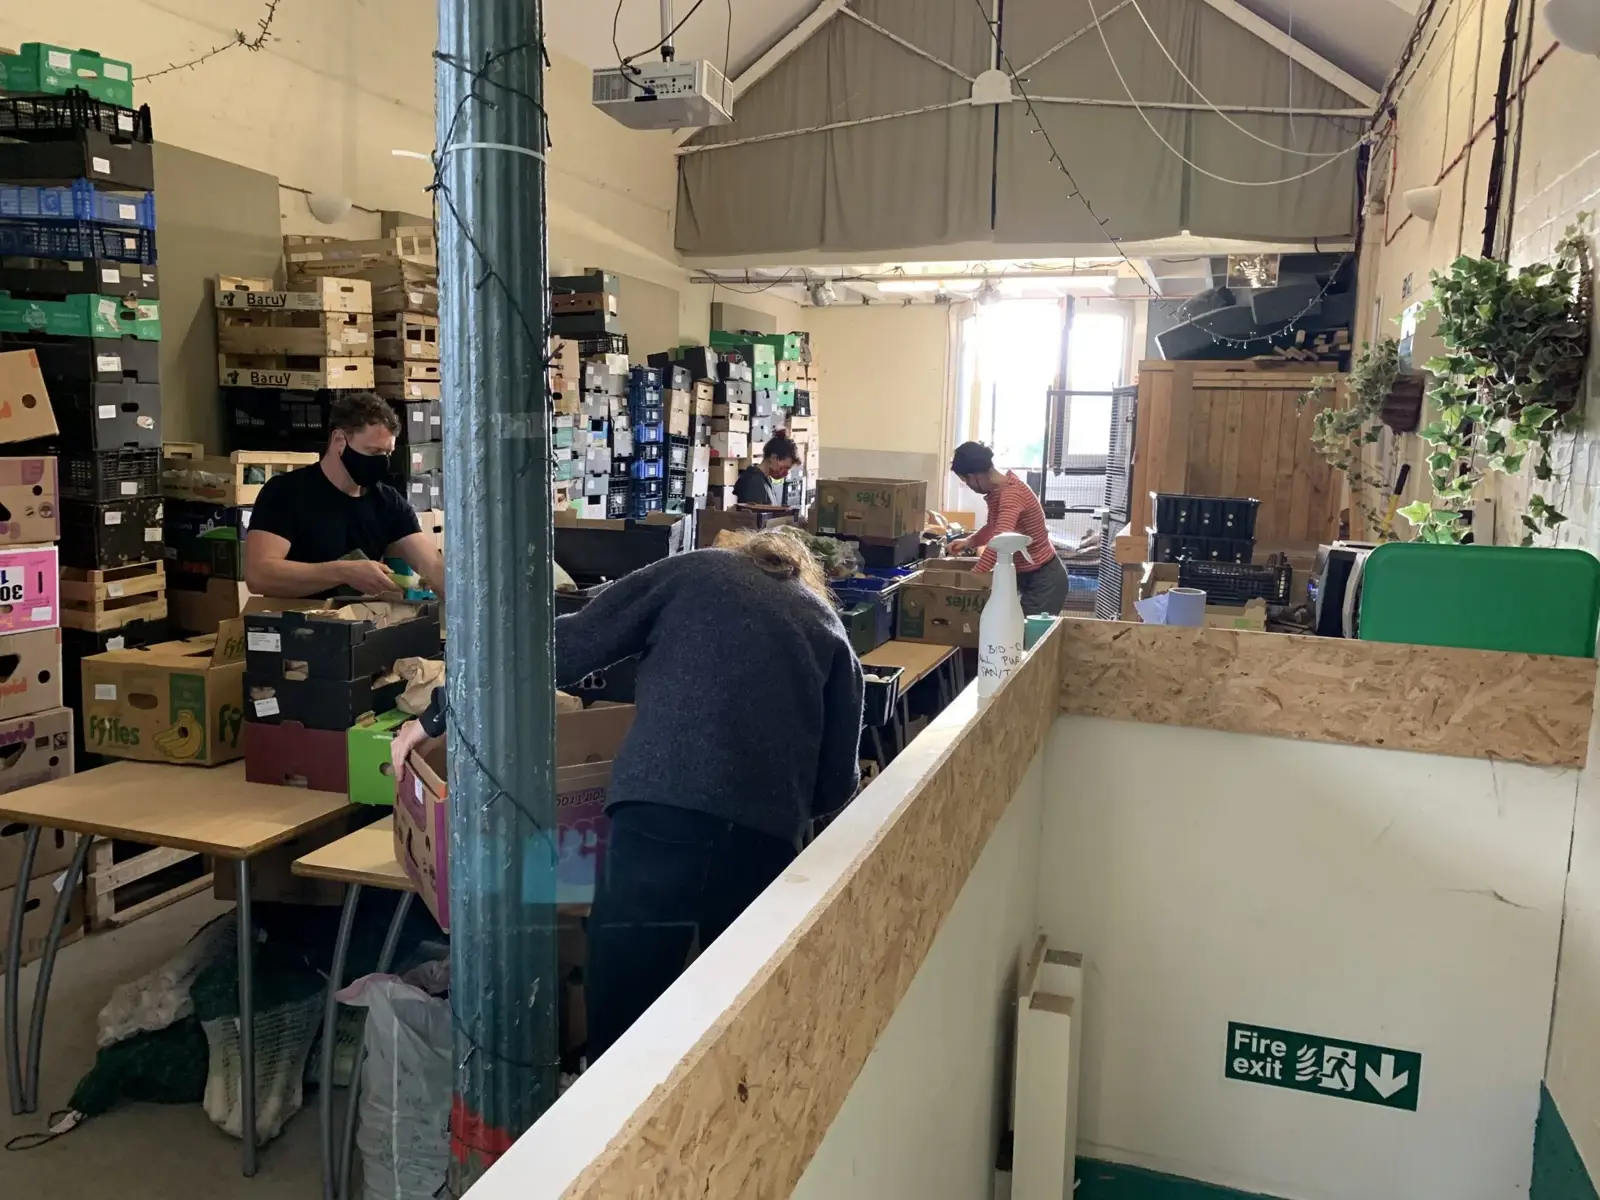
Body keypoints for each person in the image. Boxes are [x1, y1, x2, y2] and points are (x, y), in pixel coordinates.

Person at [389, 528, 864, 1060]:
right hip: (763, 838)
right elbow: (836, 785)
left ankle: (612, 1097)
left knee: (624, 1017)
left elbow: (560, 648)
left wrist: (437, 715)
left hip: (661, 815)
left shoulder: (695, 571)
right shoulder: (827, 626)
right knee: (744, 1019)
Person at [244, 392, 445, 599]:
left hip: (357, 617)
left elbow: (431, 564)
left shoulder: (387, 502)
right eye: (373, 452)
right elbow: (259, 575)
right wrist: (344, 572)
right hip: (295, 617)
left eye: (387, 453)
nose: (382, 462)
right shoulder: (284, 493)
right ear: (339, 441)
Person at [947, 441, 1069, 615]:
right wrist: (969, 542)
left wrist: (971, 579)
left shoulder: (1011, 495)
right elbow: (992, 527)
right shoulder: (997, 492)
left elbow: (999, 541)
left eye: (966, 480)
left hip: (1043, 580)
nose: (969, 486)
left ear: (976, 475)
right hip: (1026, 576)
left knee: (1026, 631)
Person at [733, 434, 797, 505]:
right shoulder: (754, 483)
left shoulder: (764, 479)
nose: (786, 473)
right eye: (785, 468)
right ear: (773, 458)